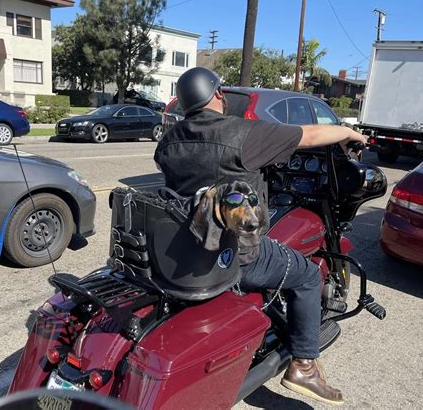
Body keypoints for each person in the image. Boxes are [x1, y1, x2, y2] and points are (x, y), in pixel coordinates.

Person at [154, 67, 368, 406]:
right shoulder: (244, 134)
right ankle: (303, 366)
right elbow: (307, 136)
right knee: (309, 275)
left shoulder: (169, 142)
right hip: (237, 255)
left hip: (188, 246)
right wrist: (346, 131)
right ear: (218, 95)